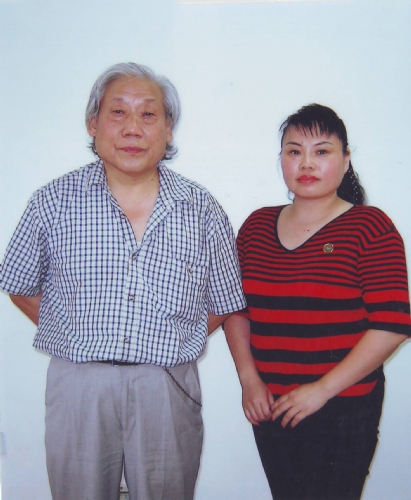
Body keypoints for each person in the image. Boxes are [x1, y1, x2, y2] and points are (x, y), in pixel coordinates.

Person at [0, 62, 246, 500]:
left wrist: (172, 338)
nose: (133, 127)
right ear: (93, 124)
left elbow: (224, 299)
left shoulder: (201, 209)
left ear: (168, 129)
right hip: (80, 385)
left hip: (166, 385)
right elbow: (18, 284)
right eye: (118, 112)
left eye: (148, 114)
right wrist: (77, 331)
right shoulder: (53, 201)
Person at [224, 104, 411, 500]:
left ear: (346, 160)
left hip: (342, 407)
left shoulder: (370, 227)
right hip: (271, 405)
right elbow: (236, 310)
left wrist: (322, 390)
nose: (306, 163)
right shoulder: (256, 227)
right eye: (294, 151)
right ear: (281, 159)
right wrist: (248, 379)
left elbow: (392, 324)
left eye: (322, 151)